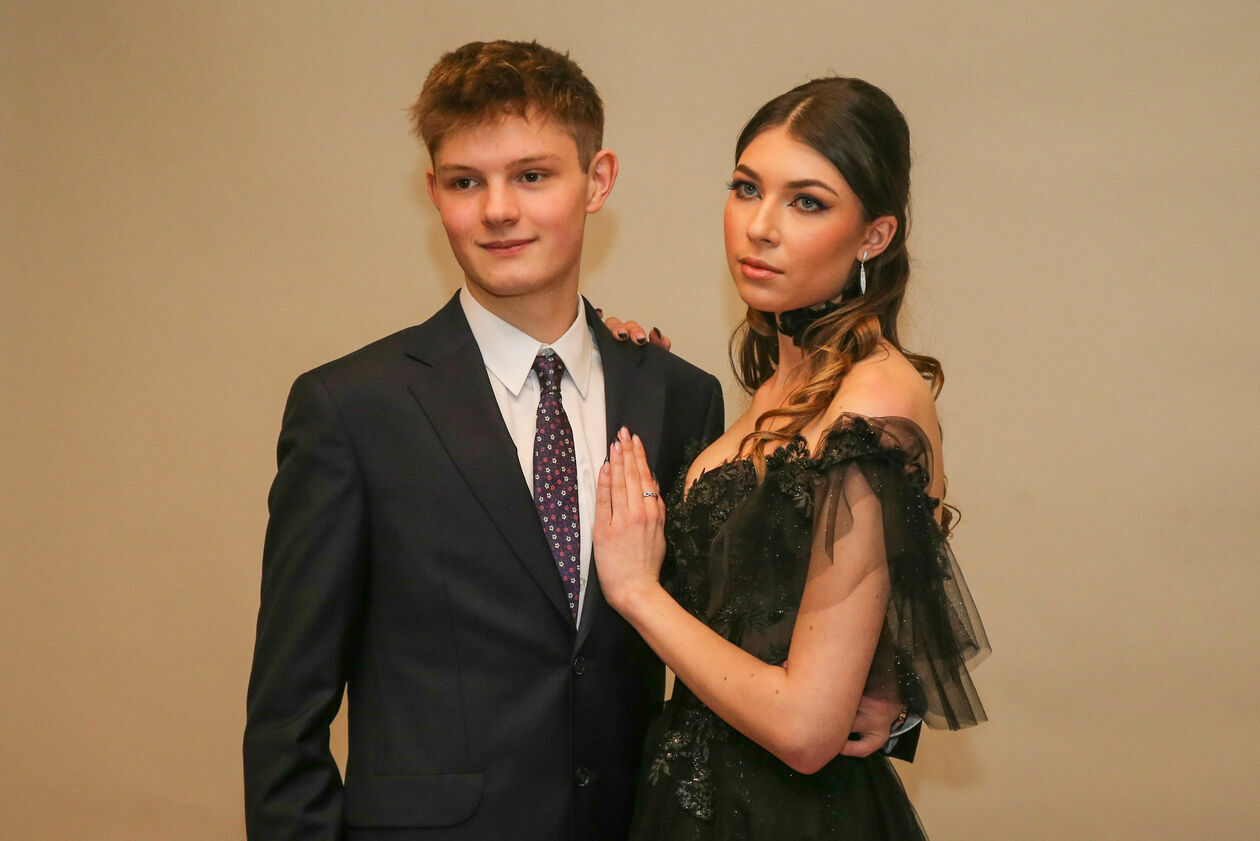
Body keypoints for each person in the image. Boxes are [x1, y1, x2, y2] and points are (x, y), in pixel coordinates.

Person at [240, 41, 728, 841]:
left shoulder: (676, 397)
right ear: (434, 190)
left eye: (532, 176)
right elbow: (285, 716)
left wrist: (881, 711)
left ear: (597, 180)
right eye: (467, 182)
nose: (498, 209)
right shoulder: (352, 409)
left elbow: (726, 643)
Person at [592, 77, 990, 839]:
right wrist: (621, 371)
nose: (760, 227)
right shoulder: (783, 385)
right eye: (747, 189)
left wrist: (638, 591)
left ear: (874, 235)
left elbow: (807, 729)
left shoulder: (874, 403)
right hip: (696, 802)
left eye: (807, 201)